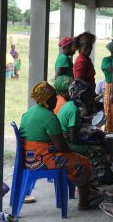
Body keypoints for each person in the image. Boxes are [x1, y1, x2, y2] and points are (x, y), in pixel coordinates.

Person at [19, 81, 102, 210]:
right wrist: (73, 153)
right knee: (82, 161)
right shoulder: (49, 117)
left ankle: (89, 194)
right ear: (46, 99)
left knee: (76, 158)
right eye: (53, 98)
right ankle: (84, 202)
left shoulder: (29, 113)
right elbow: (61, 147)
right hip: (43, 160)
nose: (56, 100)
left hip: (29, 158)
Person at [57, 79, 109, 167]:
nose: (90, 96)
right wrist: (90, 144)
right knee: (99, 150)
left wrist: (88, 119)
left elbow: (72, 122)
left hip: (64, 139)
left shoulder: (69, 105)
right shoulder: (74, 110)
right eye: (87, 94)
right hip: (67, 143)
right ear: (80, 95)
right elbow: (74, 139)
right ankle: (96, 174)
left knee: (95, 137)